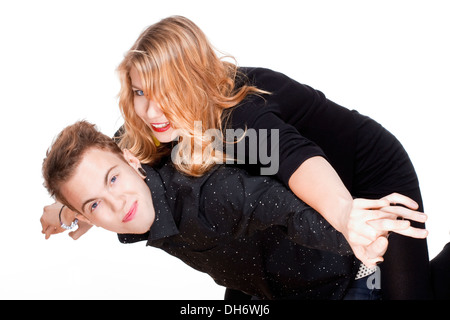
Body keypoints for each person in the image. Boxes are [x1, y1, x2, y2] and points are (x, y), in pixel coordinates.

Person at [113, 16, 433, 299]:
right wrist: (69, 207)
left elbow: (295, 159)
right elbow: (101, 158)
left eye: (165, 91)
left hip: (369, 173)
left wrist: (345, 211)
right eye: (141, 92)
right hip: (304, 195)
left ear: (192, 80)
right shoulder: (162, 123)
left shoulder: (239, 117)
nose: (152, 111)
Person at [41, 121, 428, 300]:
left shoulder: (211, 195)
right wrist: (62, 212)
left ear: (131, 160)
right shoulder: (122, 177)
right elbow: (92, 172)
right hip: (259, 288)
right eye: (95, 205)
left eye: (113, 180)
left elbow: (285, 211)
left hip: (337, 282)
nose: (118, 203)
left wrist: (358, 236)